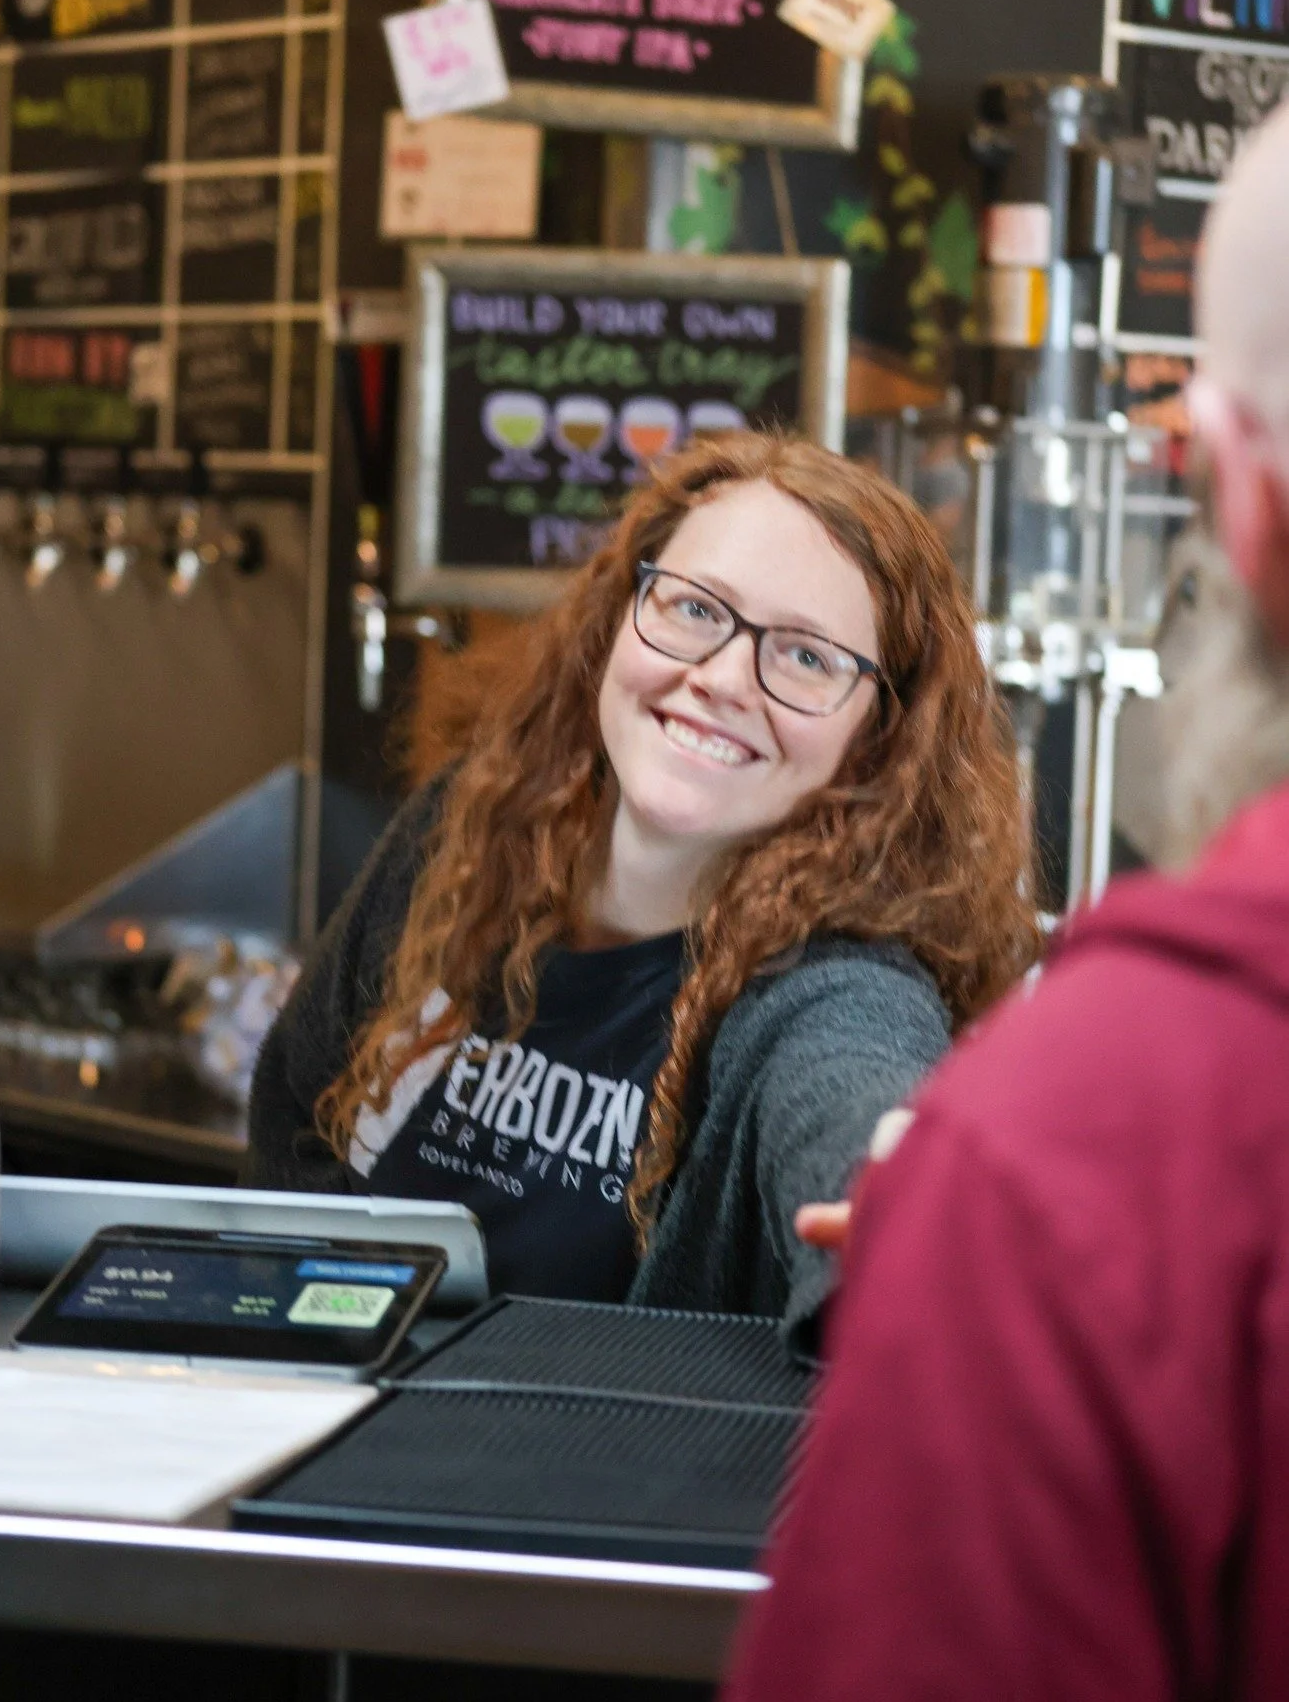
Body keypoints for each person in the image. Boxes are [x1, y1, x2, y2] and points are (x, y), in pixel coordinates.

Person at [726, 107, 1289, 1698]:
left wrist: (994, 1242)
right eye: (688, 609)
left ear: (1221, 483)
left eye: (801, 651)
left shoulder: (1084, 1164)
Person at [245, 431, 1038, 1347]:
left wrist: (901, 1192)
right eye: (696, 608)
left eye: (807, 658)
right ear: (619, 615)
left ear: (875, 740)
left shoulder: (830, 990)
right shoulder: (469, 831)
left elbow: (852, 1091)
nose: (724, 679)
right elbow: (292, 1123)